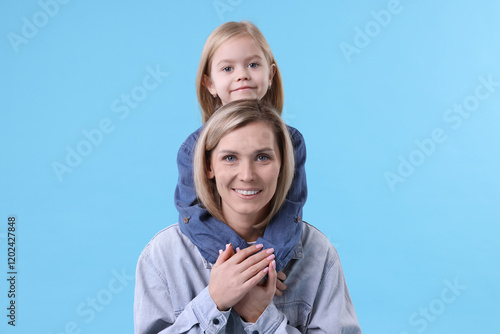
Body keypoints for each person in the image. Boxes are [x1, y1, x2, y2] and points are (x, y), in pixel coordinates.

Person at [134, 99, 361, 333]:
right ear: (208, 166)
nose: (247, 175)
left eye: (262, 157)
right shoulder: (162, 255)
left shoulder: (319, 253)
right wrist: (214, 302)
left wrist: (261, 317)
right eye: (230, 158)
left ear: (283, 165)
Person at [175, 21, 307, 274]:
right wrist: (244, 269)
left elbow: (290, 208)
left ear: (270, 75)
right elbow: (193, 215)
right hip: (221, 261)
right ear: (209, 83)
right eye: (227, 68)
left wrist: (268, 263)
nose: (242, 75)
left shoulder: (291, 141)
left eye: (253, 65)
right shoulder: (192, 149)